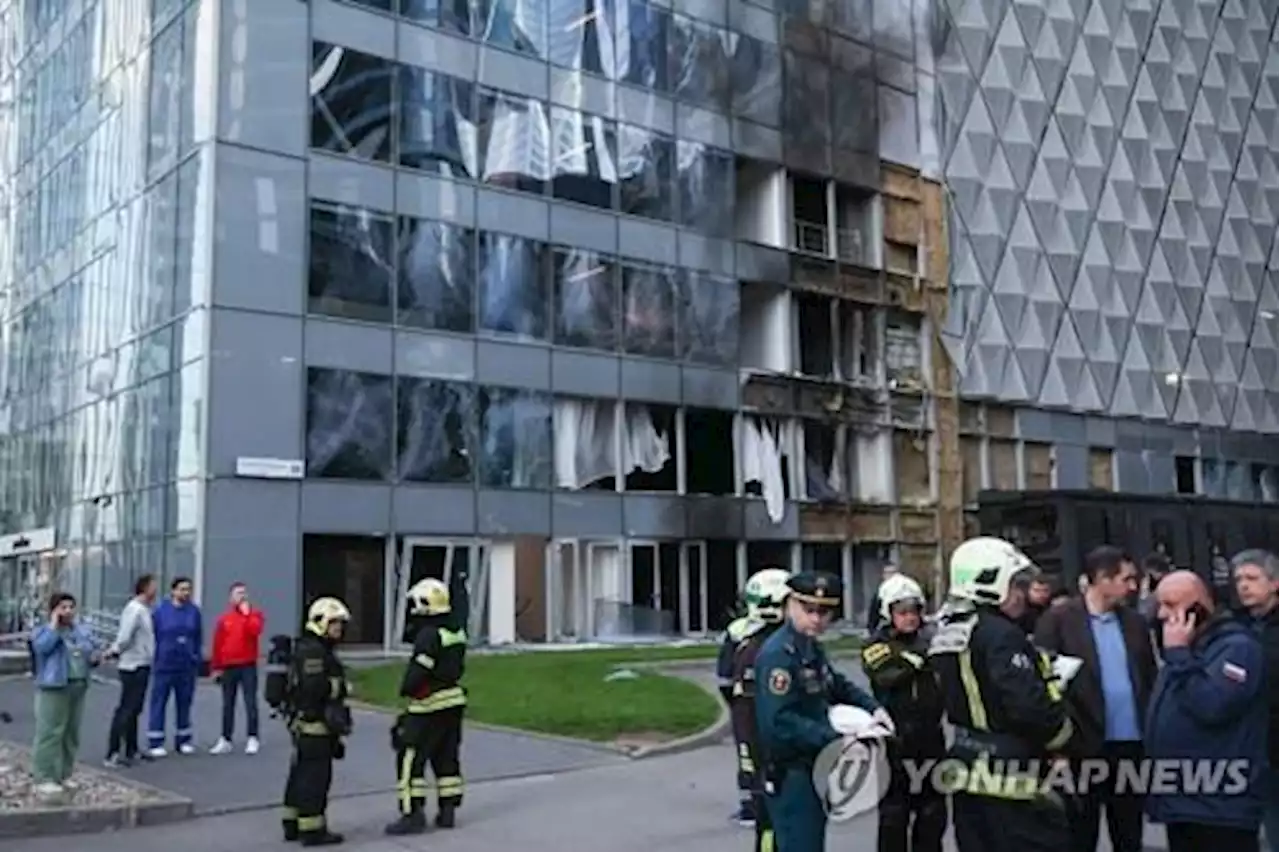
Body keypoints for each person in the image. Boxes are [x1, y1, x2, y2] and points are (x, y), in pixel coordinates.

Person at [928, 536, 1074, 852]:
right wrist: (1061, 734)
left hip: (966, 769)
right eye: (1015, 584)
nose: (1021, 594)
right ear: (989, 582)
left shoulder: (948, 631)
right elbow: (1028, 706)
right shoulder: (1001, 634)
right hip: (1012, 780)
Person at [755, 571, 890, 852]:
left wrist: (873, 708)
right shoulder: (779, 654)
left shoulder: (808, 648)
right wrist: (835, 738)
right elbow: (779, 721)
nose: (816, 619)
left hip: (813, 767)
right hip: (791, 772)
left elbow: (834, 683)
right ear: (791, 604)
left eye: (824, 612)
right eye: (809, 610)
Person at [1034, 546, 1156, 852]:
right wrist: (1054, 747)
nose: (1132, 586)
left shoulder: (1135, 623)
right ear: (1102, 579)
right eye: (1126, 579)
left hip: (1131, 747)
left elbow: (1148, 678)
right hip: (1081, 748)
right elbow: (1044, 686)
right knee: (1080, 834)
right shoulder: (1059, 620)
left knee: (1129, 834)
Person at [1147, 570, 1266, 852]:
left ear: (1198, 607)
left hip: (1220, 806)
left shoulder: (1236, 648)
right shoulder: (1188, 649)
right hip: (1184, 800)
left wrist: (1178, 656)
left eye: (1171, 604)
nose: (1162, 614)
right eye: (1160, 605)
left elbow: (1213, 705)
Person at [862, 574, 947, 852]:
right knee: (894, 817)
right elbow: (888, 675)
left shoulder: (931, 640)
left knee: (932, 813)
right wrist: (919, 656)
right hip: (894, 740)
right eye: (903, 612)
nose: (910, 618)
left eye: (915, 611)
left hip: (931, 738)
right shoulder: (876, 646)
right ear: (889, 613)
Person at [385, 578, 468, 836]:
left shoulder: (428, 635)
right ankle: (447, 810)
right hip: (453, 702)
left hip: (428, 706)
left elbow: (419, 671)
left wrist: (406, 689)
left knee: (410, 757)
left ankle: (412, 813)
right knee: (446, 758)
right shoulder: (456, 631)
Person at [727, 567, 791, 851]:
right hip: (767, 742)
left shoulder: (755, 643)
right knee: (771, 821)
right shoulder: (763, 646)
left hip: (769, 740)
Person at [282, 597, 353, 847]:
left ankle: (292, 824)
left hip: (306, 724)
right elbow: (314, 688)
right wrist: (341, 686)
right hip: (315, 724)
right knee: (315, 778)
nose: (338, 629)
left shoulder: (313, 647)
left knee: (300, 774)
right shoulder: (314, 650)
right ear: (321, 622)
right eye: (334, 624)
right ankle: (313, 830)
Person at [30, 592, 101, 799]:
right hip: (54, 685)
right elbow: (42, 648)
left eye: (71, 607)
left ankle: (64, 773)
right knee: (50, 732)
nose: (68, 611)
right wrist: (53, 625)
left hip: (77, 684)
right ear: (54, 610)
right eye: (63, 607)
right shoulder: (44, 631)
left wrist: (95, 657)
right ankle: (44, 776)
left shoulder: (79, 631)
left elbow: (89, 650)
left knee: (71, 732)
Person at [1232, 549, 1280, 850]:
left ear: (1275, 583)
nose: (1243, 586)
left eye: (1252, 578)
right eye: (1238, 579)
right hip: (1247, 744)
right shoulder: (1235, 626)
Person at [105, 574, 157, 767]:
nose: (156, 590)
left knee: (135, 709)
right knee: (126, 708)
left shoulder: (144, 610)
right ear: (144, 588)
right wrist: (115, 650)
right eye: (153, 586)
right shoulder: (134, 610)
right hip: (132, 664)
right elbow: (125, 636)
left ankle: (131, 749)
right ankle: (113, 752)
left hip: (142, 662)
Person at [147, 576, 203, 756]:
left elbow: (198, 636)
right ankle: (155, 741)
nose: (185, 593)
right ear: (173, 591)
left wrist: (196, 657)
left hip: (186, 665)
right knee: (159, 702)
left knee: (184, 703)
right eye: (182, 589)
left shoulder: (194, 611)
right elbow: (153, 635)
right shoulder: (161, 611)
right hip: (164, 664)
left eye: (188, 589)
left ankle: (183, 739)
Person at [209, 581, 265, 755]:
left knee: (250, 702)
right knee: (228, 703)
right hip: (229, 665)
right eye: (238, 593)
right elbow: (218, 644)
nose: (242, 596)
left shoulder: (255, 615)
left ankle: (253, 737)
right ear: (231, 597)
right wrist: (216, 667)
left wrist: (247, 614)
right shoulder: (224, 619)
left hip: (247, 664)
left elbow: (255, 631)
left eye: (244, 593)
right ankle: (225, 738)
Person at [717, 591, 758, 824]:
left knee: (748, 755)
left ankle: (750, 807)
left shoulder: (737, 631)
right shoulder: (789, 632)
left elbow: (724, 676)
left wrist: (734, 703)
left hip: (745, 703)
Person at [867, 564, 900, 630]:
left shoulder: (904, 591)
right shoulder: (880, 593)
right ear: (883, 575)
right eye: (888, 573)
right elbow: (873, 614)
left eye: (893, 573)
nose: (891, 576)